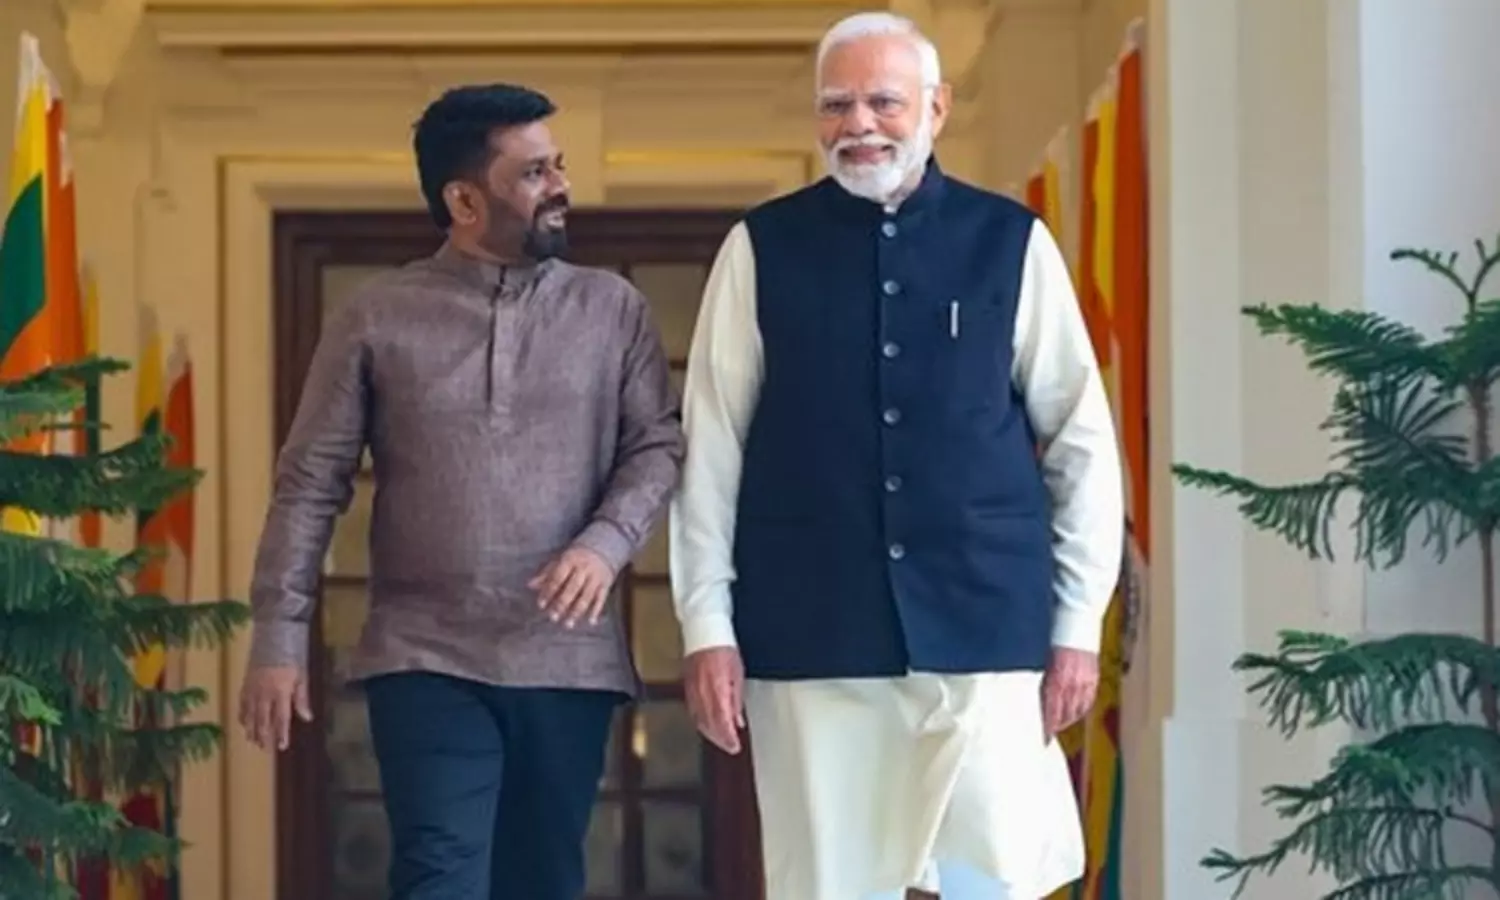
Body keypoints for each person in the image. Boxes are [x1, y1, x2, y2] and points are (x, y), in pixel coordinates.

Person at [669, 12, 1124, 900]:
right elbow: (712, 450)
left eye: (884, 101)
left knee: (991, 879)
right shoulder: (760, 248)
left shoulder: (1011, 242)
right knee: (836, 883)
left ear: (937, 107)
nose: (859, 124)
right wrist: (707, 627)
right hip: (813, 627)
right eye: (836, 104)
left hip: (986, 623)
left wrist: (1077, 627)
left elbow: (1081, 442)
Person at [238, 83, 685, 900]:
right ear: (464, 200)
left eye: (559, 165)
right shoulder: (377, 315)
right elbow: (309, 483)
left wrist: (605, 545)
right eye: (535, 172)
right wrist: (278, 635)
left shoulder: (611, 309)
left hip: (566, 660)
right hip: (426, 654)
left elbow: (656, 447)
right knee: (438, 876)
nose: (560, 186)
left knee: (543, 882)